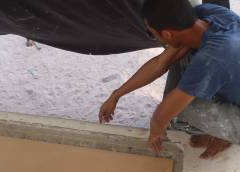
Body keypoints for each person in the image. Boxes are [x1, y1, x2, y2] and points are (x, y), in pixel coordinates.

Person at [99, 0, 240, 159]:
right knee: (185, 62)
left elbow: (162, 115)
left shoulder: (211, 58)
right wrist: (116, 95)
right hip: (229, 69)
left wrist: (156, 130)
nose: (153, 37)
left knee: (185, 109)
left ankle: (225, 134)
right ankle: (220, 127)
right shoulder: (208, 14)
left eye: (152, 33)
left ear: (167, 34)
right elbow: (160, 63)